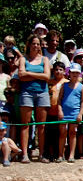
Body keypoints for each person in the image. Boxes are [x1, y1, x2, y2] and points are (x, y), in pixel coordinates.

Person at [18, 34, 51, 163]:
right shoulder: (23, 59)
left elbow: (47, 77)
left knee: (41, 125)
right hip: (27, 93)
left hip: (42, 93)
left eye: (38, 44)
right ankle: (25, 154)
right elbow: (21, 75)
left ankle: (42, 154)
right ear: (29, 45)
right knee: (25, 125)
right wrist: (39, 75)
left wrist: (29, 74)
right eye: (34, 43)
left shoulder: (44, 59)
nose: (36, 46)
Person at [57, 63, 83, 163]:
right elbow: (59, 100)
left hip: (75, 113)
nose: (75, 74)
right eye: (73, 72)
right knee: (62, 133)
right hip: (64, 113)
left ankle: (71, 155)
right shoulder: (64, 85)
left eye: (77, 73)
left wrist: (80, 114)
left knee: (73, 133)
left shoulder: (82, 87)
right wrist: (60, 111)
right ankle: (60, 155)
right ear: (69, 73)